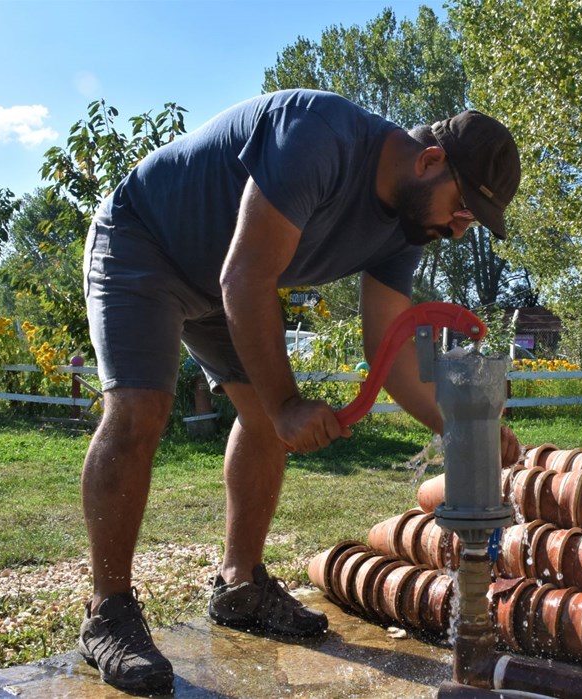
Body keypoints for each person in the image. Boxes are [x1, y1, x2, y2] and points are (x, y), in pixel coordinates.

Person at [78, 88, 522, 694]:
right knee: (141, 409)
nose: (459, 229)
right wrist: (287, 403)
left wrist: (463, 429)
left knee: (261, 423)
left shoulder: (406, 227)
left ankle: (239, 587)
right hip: (144, 241)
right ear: (429, 161)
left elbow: (385, 352)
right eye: (463, 208)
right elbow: (246, 276)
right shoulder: (319, 135)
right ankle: (109, 613)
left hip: (226, 282)